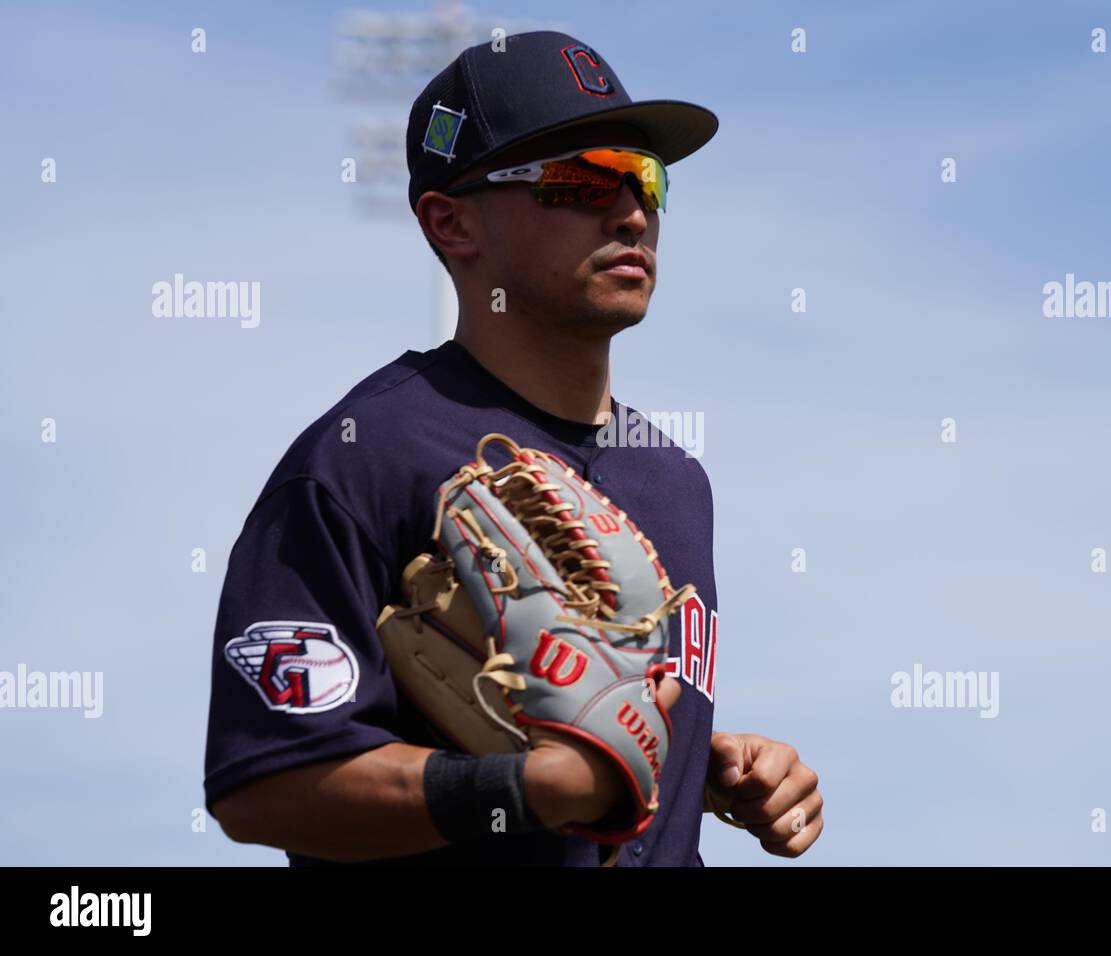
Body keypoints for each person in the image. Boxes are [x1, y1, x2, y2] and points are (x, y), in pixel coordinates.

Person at [203, 30, 823, 866]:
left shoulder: (674, 478)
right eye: (579, 179)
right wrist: (524, 788)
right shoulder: (364, 457)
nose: (631, 211)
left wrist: (703, 769)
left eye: (645, 177)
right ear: (451, 223)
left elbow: (612, 747)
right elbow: (263, 784)